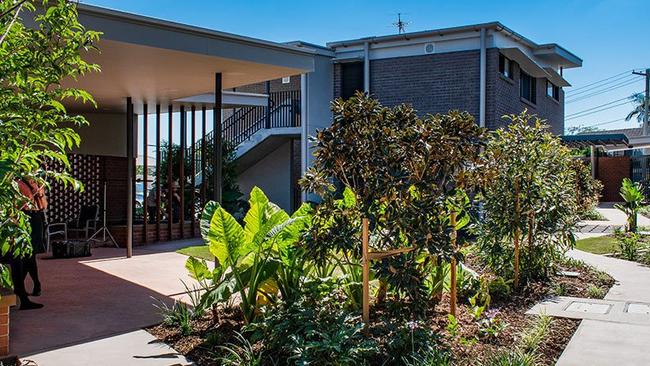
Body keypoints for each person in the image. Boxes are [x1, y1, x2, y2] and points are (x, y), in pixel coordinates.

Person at [14, 179, 45, 310]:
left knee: (29, 254)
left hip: (34, 216)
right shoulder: (18, 183)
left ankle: (24, 289)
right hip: (28, 216)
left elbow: (43, 204)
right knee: (27, 255)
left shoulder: (34, 182)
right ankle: (26, 289)